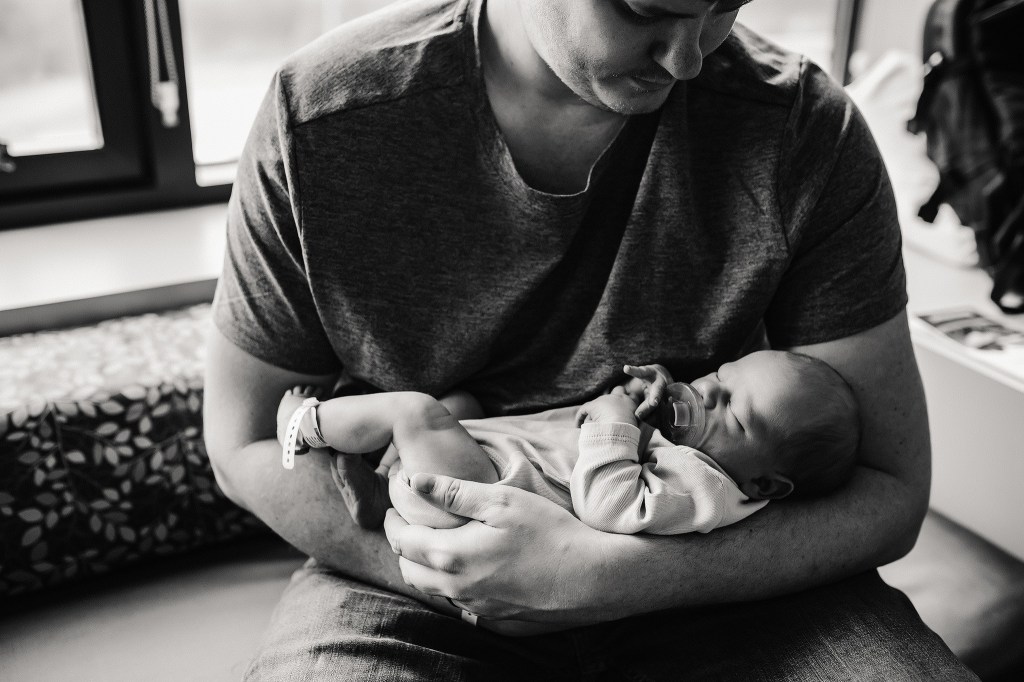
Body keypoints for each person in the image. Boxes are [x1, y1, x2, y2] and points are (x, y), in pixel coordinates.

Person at [203, 0, 979, 678]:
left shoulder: (805, 131)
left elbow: (889, 491)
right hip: (416, 582)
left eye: (726, 5)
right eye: (645, 10)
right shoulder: (326, 116)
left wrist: (614, 577)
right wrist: (459, 571)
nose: (688, 57)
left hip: (724, 586)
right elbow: (242, 442)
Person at [276, 351, 859, 538]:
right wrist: (635, 403)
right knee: (461, 407)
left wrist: (615, 423)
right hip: (490, 463)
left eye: (735, 411)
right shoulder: (699, 457)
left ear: (764, 484)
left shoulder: (708, 490)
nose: (706, 394)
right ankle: (379, 495)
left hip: (476, 501)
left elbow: (612, 504)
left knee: (414, 411)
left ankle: (308, 425)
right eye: (720, 378)